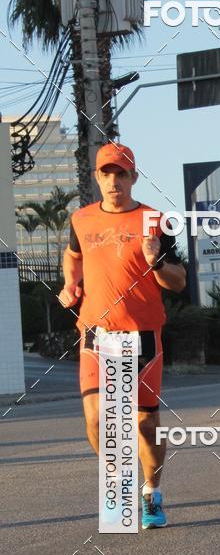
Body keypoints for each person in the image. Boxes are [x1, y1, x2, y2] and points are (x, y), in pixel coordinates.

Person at [58, 143, 186, 527]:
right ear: (97, 177)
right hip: (97, 331)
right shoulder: (81, 219)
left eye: (121, 174)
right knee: (97, 419)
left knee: (145, 425)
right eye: (106, 174)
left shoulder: (154, 221)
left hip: (143, 333)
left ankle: (152, 493)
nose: (114, 181)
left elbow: (178, 282)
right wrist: (70, 283)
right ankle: (120, 482)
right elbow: (73, 254)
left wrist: (156, 261)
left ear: (133, 177)